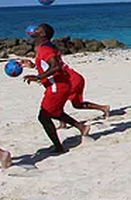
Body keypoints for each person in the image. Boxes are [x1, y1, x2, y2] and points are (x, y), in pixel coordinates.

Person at [22, 24, 90, 153]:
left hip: (57, 87)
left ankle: (59, 147)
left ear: (42, 34)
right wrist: (33, 66)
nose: (33, 30)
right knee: (55, 112)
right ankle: (81, 127)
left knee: (44, 116)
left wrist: (38, 77)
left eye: (37, 30)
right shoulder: (45, 47)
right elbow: (47, 66)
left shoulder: (45, 49)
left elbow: (56, 66)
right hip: (58, 85)